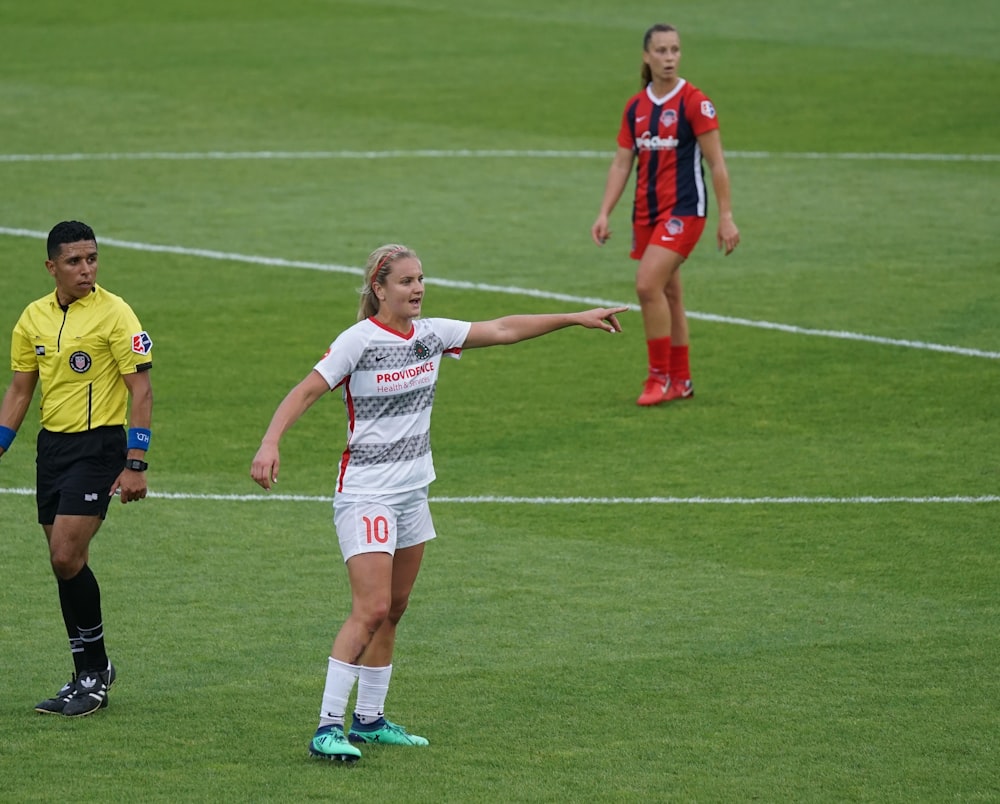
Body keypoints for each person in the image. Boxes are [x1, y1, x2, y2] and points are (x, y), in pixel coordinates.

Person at [250, 243, 626, 763]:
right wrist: (271, 442)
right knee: (371, 608)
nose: (418, 288)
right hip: (366, 495)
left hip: (411, 494)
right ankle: (327, 726)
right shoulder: (357, 341)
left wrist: (573, 318)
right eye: (405, 281)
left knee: (395, 609)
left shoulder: (432, 336)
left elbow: (504, 328)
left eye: (421, 279)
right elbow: (305, 392)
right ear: (379, 289)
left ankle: (371, 720)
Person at [0, 220, 153, 717]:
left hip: (100, 447)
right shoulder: (32, 318)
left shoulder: (116, 314)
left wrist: (135, 462)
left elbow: (141, 391)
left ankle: (92, 673)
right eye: (74, 261)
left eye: (92, 259)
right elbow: (22, 389)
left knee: (66, 556)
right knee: (64, 564)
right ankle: (90, 669)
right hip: (53, 449)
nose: (86, 269)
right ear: (51, 267)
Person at [591, 23, 740, 406]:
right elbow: (623, 164)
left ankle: (658, 378)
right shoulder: (636, 107)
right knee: (670, 295)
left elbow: (717, 164)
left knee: (646, 285)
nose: (669, 57)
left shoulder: (694, 102)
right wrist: (604, 211)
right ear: (646, 56)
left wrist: (726, 216)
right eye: (661, 50)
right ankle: (682, 380)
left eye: (675, 50)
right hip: (646, 214)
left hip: (685, 211)